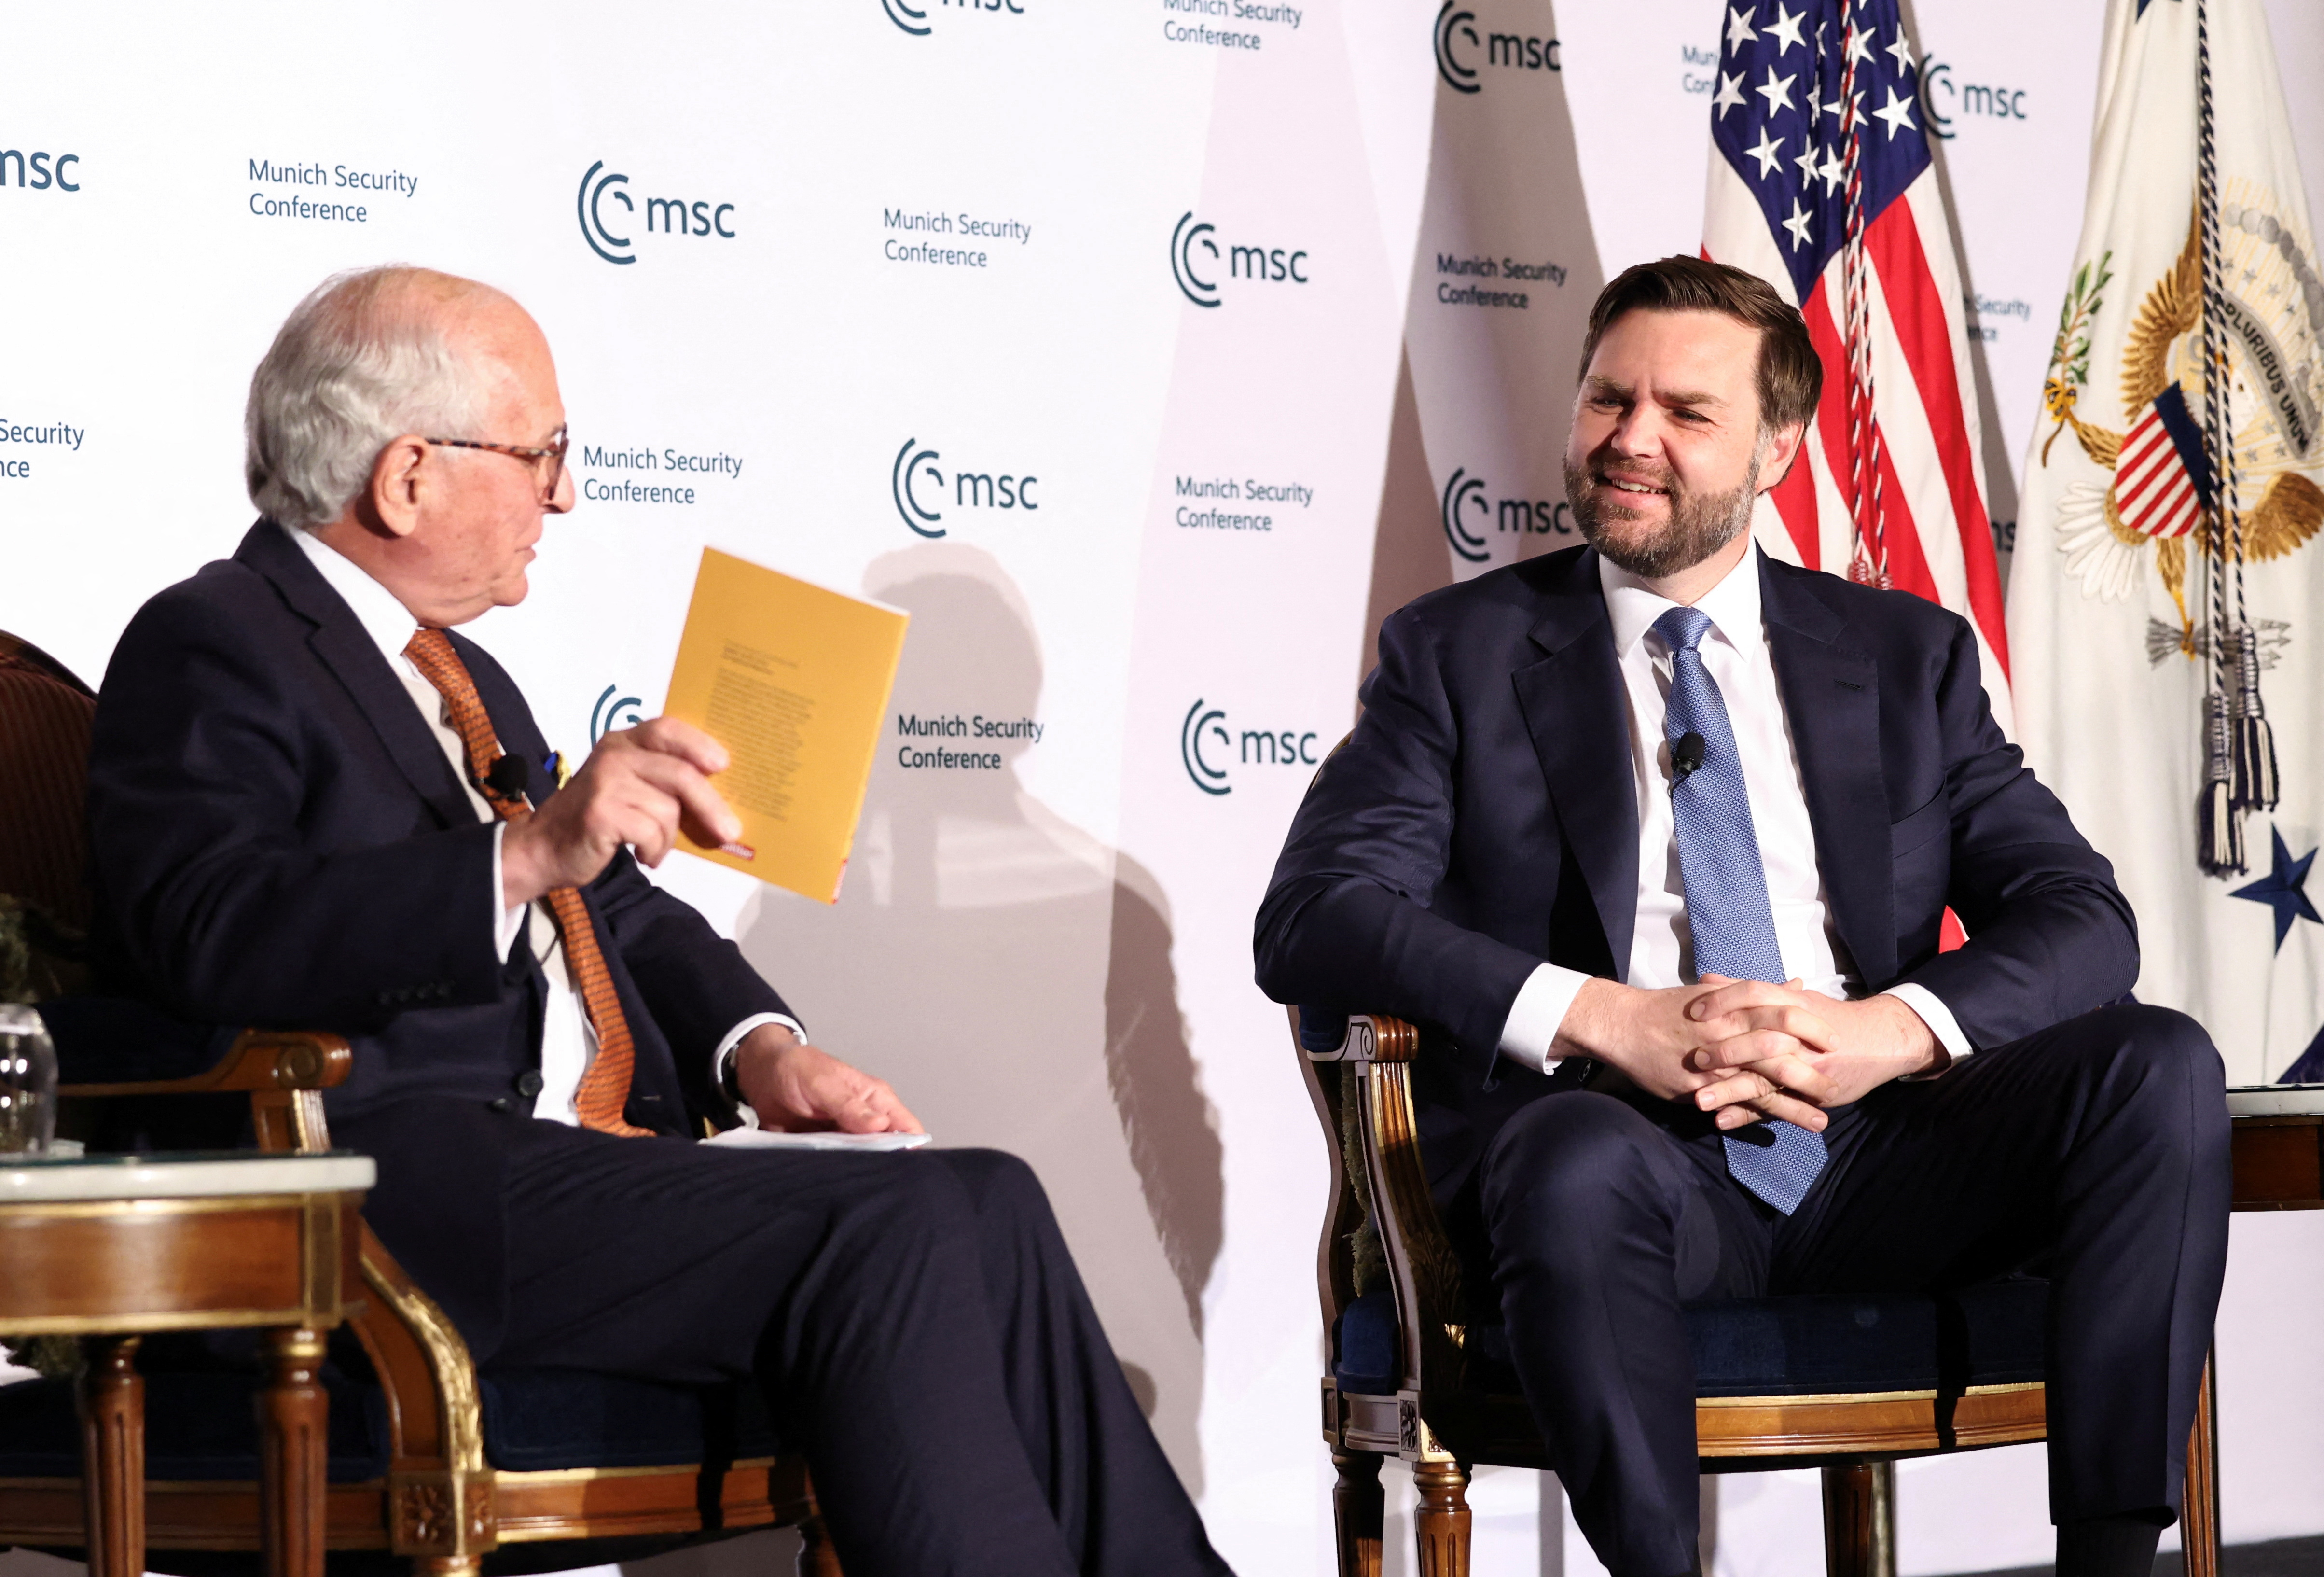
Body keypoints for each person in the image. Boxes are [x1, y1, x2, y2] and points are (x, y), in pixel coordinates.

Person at [86, 265, 1235, 1577]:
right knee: (898, 1225)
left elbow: (611, 897)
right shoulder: (212, 641)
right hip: (395, 1192)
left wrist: (760, 1048)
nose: (564, 495)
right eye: (541, 454)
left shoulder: (456, 671)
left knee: (985, 1194)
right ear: (407, 476)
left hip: (560, 1173)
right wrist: (521, 851)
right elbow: (208, 926)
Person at [1255, 256, 2229, 1577]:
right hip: (1627, 1160)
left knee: (2156, 1063)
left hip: (1877, 1151)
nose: (1630, 441)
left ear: (1779, 444)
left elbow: (2081, 914)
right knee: (1572, 1159)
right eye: (1608, 400)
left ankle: (2113, 1564)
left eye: (1684, 412)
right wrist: (1607, 1017)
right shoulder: (1461, 654)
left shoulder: (1903, 658)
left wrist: (1888, 1031)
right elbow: (1314, 915)